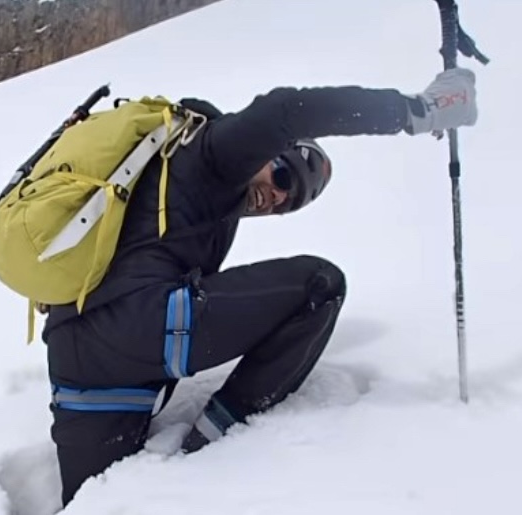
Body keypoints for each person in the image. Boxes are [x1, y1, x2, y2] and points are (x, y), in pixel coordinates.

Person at [42, 67, 479, 506]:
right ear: (266, 152)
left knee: (94, 502)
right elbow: (287, 109)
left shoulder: (169, 184)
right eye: (283, 178)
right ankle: (215, 441)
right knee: (321, 285)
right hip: (141, 324)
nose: (278, 198)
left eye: (290, 204)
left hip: (77, 359)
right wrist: (416, 111)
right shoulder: (213, 151)